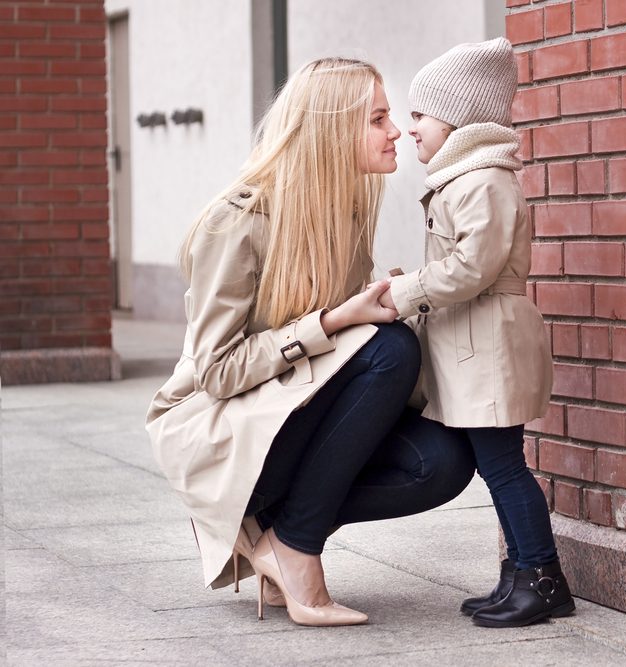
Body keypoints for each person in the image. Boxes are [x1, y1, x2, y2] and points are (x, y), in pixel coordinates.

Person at [146, 57, 475, 628]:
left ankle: (279, 532)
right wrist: (333, 321)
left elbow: (340, 360)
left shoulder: (340, 215)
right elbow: (217, 372)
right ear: (332, 130)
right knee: (387, 350)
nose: (395, 131)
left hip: (284, 418)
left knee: (443, 463)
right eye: (378, 118)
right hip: (221, 436)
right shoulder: (237, 221)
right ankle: (292, 544)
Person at [381, 38, 575, 628]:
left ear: (458, 116)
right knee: (497, 467)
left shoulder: (485, 179)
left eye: (419, 114)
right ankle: (518, 575)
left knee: (504, 467)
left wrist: (408, 290)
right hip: (472, 344)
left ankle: (542, 578)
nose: (409, 128)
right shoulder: (465, 177)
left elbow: (474, 266)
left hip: (488, 345)